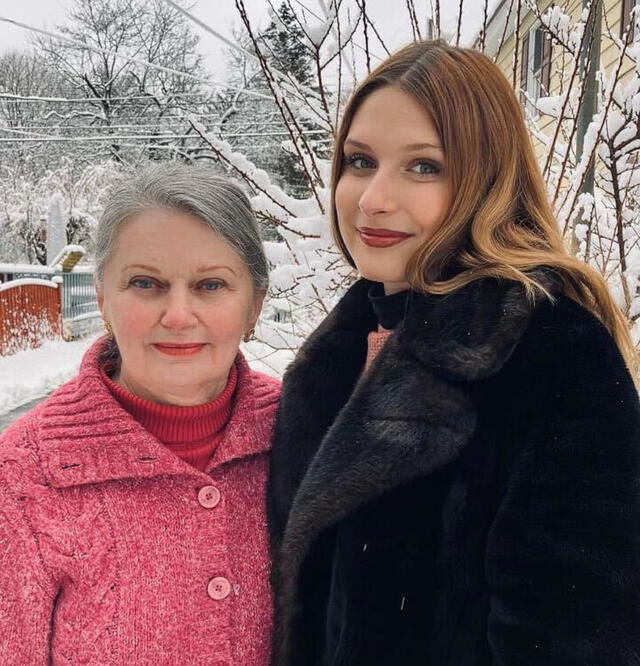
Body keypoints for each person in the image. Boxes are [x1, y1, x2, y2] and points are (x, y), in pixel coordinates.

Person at [267, 41, 640, 665]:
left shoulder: (550, 353)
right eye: (359, 161)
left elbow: (578, 633)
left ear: (487, 180)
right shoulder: (337, 356)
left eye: (423, 167)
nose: (373, 198)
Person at [0, 164, 279, 665]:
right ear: (104, 298)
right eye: (145, 283)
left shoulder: (309, 435)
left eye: (211, 285)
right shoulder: (23, 475)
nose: (176, 315)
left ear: (254, 305)